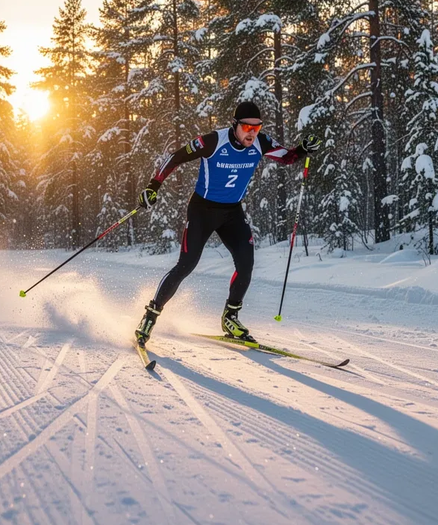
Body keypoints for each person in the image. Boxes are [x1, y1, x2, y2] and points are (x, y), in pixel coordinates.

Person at [134, 101, 320, 347]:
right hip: (202, 210)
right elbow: (175, 157)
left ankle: (230, 317)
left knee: (246, 263)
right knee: (186, 264)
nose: (252, 132)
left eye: (257, 127)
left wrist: (303, 149)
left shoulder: (260, 143)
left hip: (232, 211)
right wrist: (153, 186)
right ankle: (150, 315)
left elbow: (287, 157)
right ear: (235, 125)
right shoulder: (213, 141)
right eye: (246, 127)